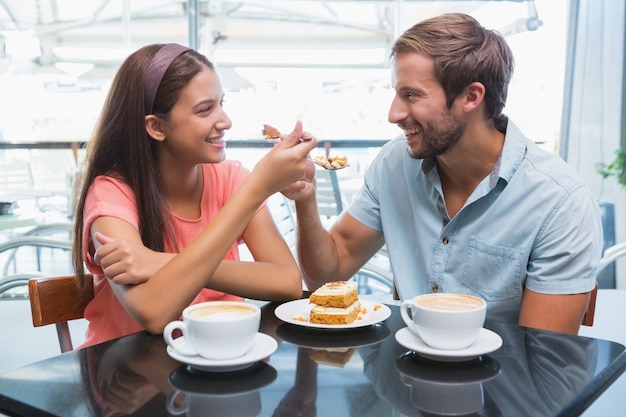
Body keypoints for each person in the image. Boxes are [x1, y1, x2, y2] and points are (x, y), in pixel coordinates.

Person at [283, 13, 603, 335]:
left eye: (411, 95)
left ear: (471, 97)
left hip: (498, 383)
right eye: (396, 93)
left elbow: (540, 360)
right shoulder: (394, 163)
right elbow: (325, 276)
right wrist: (306, 198)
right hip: (403, 372)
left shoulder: (561, 204)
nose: (393, 114)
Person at [71, 43, 317, 347]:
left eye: (221, 104)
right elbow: (154, 312)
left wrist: (159, 262)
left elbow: (288, 282)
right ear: (156, 127)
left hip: (215, 363)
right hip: (126, 377)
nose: (225, 121)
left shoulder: (230, 179)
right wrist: (256, 189)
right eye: (205, 109)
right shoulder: (111, 196)